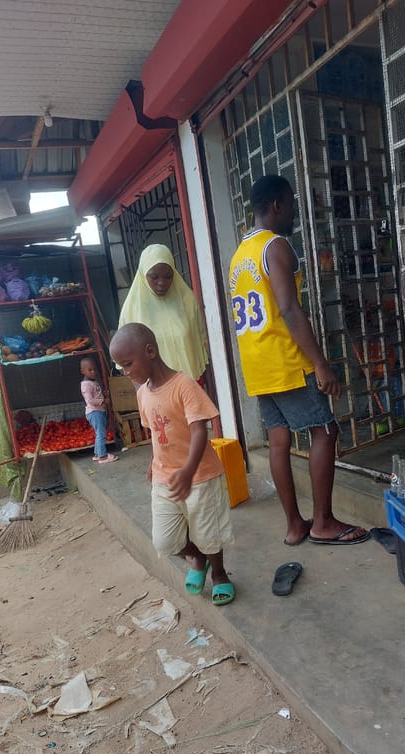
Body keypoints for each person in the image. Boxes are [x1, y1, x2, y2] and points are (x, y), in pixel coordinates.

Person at [229, 174, 369, 546]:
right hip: (287, 362)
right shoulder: (275, 246)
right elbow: (289, 310)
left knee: (278, 442)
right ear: (276, 205)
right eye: (290, 203)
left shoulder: (239, 256)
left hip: (258, 367)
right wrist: (321, 364)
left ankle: (295, 526)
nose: (292, 211)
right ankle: (322, 522)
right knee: (325, 431)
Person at [109, 323, 235, 605]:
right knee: (165, 542)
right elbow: (156, 432)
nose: (126, 372)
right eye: (121, 368)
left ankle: (219, 573)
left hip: (199, 475)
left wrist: (188, 470)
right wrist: (155, 461)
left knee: (209, 533)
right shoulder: (143, 393)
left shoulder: (183, 385)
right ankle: (197, 558)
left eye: (128, 364)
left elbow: (200, 430)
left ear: (150, 351)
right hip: (164, 478)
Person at [118, 243, 209, 382]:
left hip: (192, 385)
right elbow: (126, 362)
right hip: (154, 392)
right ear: (143, 275)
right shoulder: (131, 312)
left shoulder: (187, 302)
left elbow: (200, 344)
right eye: (154, 277)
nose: (162, 282)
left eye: (168, 277)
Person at [80, 357, 118, 464]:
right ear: (82, 371)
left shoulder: (92, 382)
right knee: (101, 434)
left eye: (95, 369)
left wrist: (103, 395)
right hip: (94, 412)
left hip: (98, 411)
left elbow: (95, 395)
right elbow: (90, 400)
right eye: (90, 370)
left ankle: (97, 454)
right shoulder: (86, 385)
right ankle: (103, 456)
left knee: (99, 433)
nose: (93, 372)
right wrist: (103, 400)